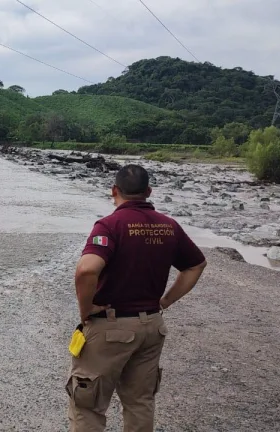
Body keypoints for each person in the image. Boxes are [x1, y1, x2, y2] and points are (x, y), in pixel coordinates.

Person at [67, 164, 207, 432]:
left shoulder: (109, 225)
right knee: (140, 401)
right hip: (151, 327)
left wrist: (86, 310)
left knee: (88, 403)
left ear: (114, 191)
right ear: (148, 192)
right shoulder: (169, 226)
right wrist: (164, 302)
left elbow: (86, 269)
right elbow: (196, 265)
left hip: (111, 327)